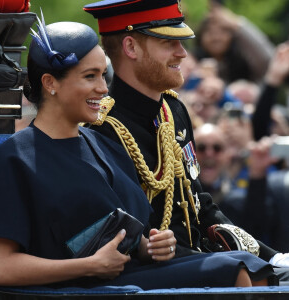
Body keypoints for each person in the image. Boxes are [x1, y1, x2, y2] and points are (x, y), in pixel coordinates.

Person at [0, 15, 275, 289]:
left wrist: (152, 246)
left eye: (103, 75)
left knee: (255, 268)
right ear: (50, 83)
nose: (102, 88)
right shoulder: (16, 157)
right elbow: (1, 269)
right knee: (234, 270)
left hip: (122, 278)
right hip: (79, 286)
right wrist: (89, 265)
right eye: (90, 76)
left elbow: (130, 235)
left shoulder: (100, 145)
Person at [84, 0, 289, 283]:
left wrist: (270, 256)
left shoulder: (173, 110)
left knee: (268, 271)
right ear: (131, 48)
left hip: (191, 257)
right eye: (169, 43)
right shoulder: (102, 127)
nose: (182, 53)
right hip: (139, 270)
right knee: (244, 273)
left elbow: (198, 204)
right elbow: (129, 237)